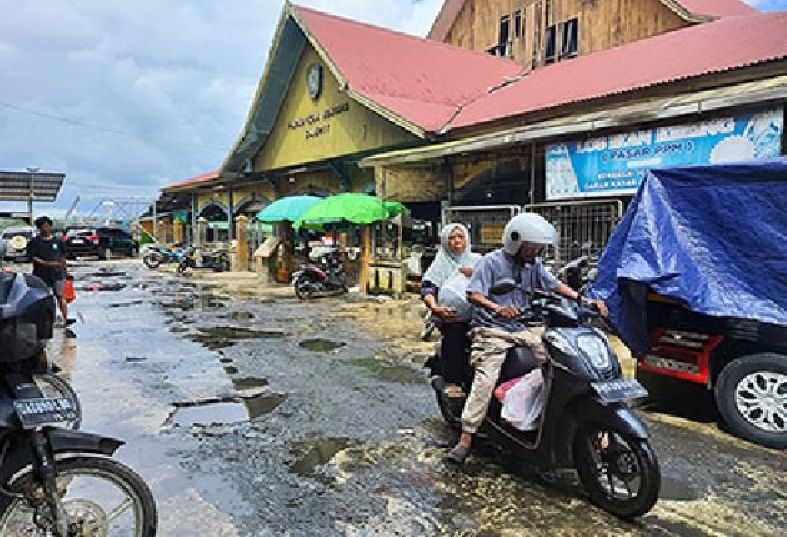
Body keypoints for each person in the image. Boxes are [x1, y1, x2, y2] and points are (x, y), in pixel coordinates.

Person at [444, 213, 608, 464]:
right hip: (492, 329)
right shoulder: (491, 262)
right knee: (486, 378)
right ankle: (466, 437)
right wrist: (497, 308)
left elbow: (554, 285)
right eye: (532, 247)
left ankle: (561, 420)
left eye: (539, 248)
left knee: (560, 362)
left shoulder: (535, 265)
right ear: (515, 241)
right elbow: (473, 294)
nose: (535, 252)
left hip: (525, 327)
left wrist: (584, 301)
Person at [421, 223, 482, 395]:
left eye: (460, 237)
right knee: (455, 333)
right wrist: (435, 307)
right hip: (451, 317)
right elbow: (428, 288)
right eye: (452, 238)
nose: (456, 241)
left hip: (480, 314)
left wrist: (476, 273)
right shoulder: (440, 263)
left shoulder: (478, 261)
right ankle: (452, 381)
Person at [27, 215, 73, 325]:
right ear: (39, 228)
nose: (45, 228)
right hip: (41, 275)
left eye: (47, 226)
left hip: (57, 274)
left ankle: (66, 318)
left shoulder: (58, 242)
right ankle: (44, 320)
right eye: (43, 226)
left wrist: (66, 271)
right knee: (42, 298)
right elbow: (33, 257)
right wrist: (46, 263)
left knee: (61, 296)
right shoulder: (34, 243)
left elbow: (63, 258)